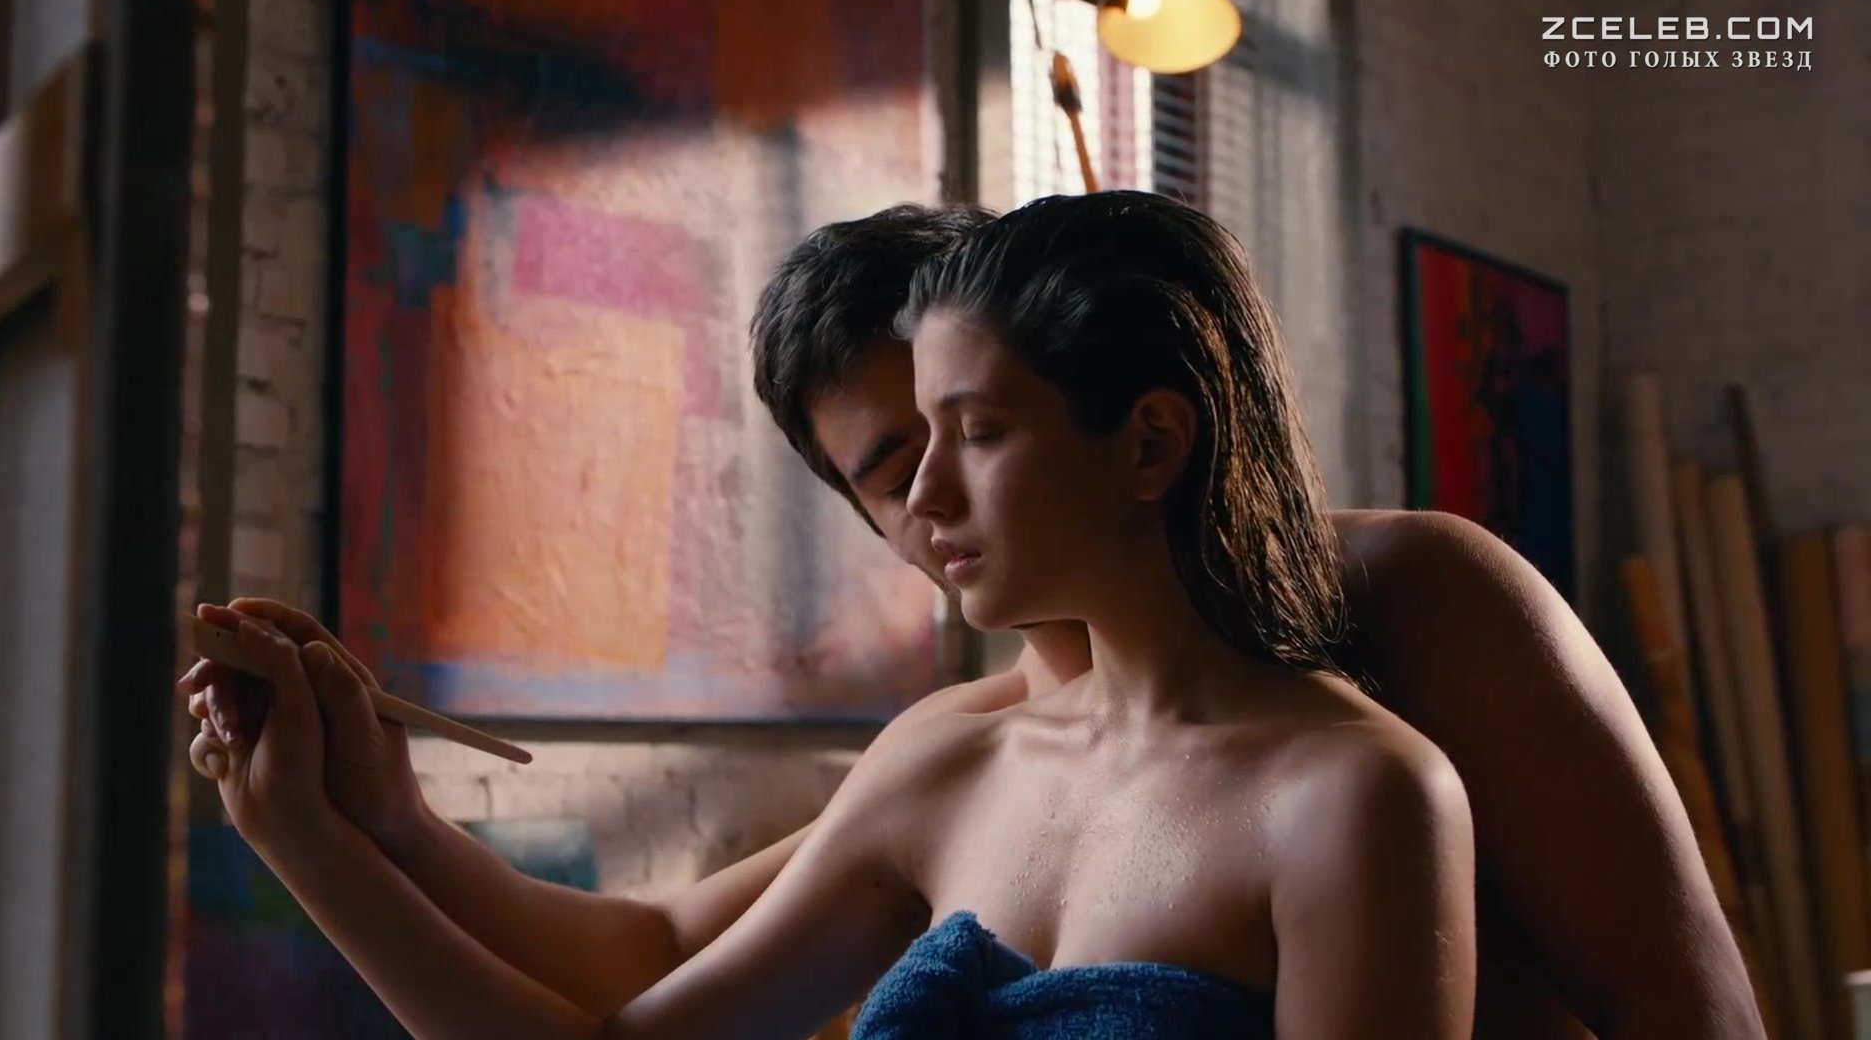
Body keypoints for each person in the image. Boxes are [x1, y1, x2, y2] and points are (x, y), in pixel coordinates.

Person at [184, 202, 1761, 1037]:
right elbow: (659, 958)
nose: (930, 499)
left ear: (1132, 420)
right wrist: (369, 823)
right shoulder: (962, 752)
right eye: (890, 470)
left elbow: (1689, 1015)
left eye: (971, 425)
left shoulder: (1412, 620)